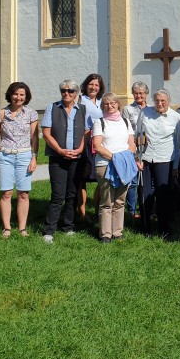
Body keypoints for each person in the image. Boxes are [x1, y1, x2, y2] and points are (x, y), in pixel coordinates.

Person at [0, 82, 39, 238]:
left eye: (22, 94)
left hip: (24, 156)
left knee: (23, 193)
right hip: (5, 156)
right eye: (15, 94)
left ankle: (22, 228)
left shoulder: (31, 114)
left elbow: (34, 138)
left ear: (26, 96)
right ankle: (7, 227)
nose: (18, 97)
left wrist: (34, 158)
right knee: (6, 193)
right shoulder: (0, 114)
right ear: (10, 95)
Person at [40, 80, 88, 243]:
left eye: (70, 91)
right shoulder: (52, 108)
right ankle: (49, 231)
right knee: (57, 195)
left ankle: (68, 226)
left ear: (76, 93)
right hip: (57, 158)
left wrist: (80, 149)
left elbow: (86, 132)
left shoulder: (82, 109)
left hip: (76, 157)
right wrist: (59, 150)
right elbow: (46, 133)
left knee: (72, 194)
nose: (66, 93)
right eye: (63, 91)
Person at [91, 93, 137, 243]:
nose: (109, 106)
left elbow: (132, 144)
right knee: (107, 201)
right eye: (106, 104)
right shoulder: (100, 122)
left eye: (112, 103)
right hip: (105, 165)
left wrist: (123, 159)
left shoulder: (125, 122)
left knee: (120, 201)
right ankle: (105, 234)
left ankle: (117, 232)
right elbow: (97, 146)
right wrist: (116, 158)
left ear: (118, 104)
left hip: (123, 166)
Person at [136, 89, 180, 237]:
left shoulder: (176, 117)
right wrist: (138, 157)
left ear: (168, 101)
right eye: (157, 101)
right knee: (144, 192)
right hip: (146, 158)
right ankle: (145, 225)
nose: (160, 103)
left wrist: (175, 166)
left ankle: (163, 227)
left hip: (165, 159)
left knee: (163, 195)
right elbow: (137, 135)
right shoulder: (145, 112)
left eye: (163, 101)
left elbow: (176, 143)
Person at [77, 73, 105, 222]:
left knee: (101, 177)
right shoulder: (81, 100)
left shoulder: (102, 102)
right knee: (83, 177)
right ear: (86, 85)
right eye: (91, 84)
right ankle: (82, 212)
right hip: (85, 140)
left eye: (96, 85)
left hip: (100, 142)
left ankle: (98, 209)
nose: (93, 87)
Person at [122, 81, 149, 218]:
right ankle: (132, 211)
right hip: (132, 147)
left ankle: (147, 209)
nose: (138, 95)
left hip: (148, 148)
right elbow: (125, 129)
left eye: (141, 93)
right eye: (136, 93)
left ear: (146, 94)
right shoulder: (127, 109)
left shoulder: (151, 109)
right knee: (133, 181)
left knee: (147, 181)